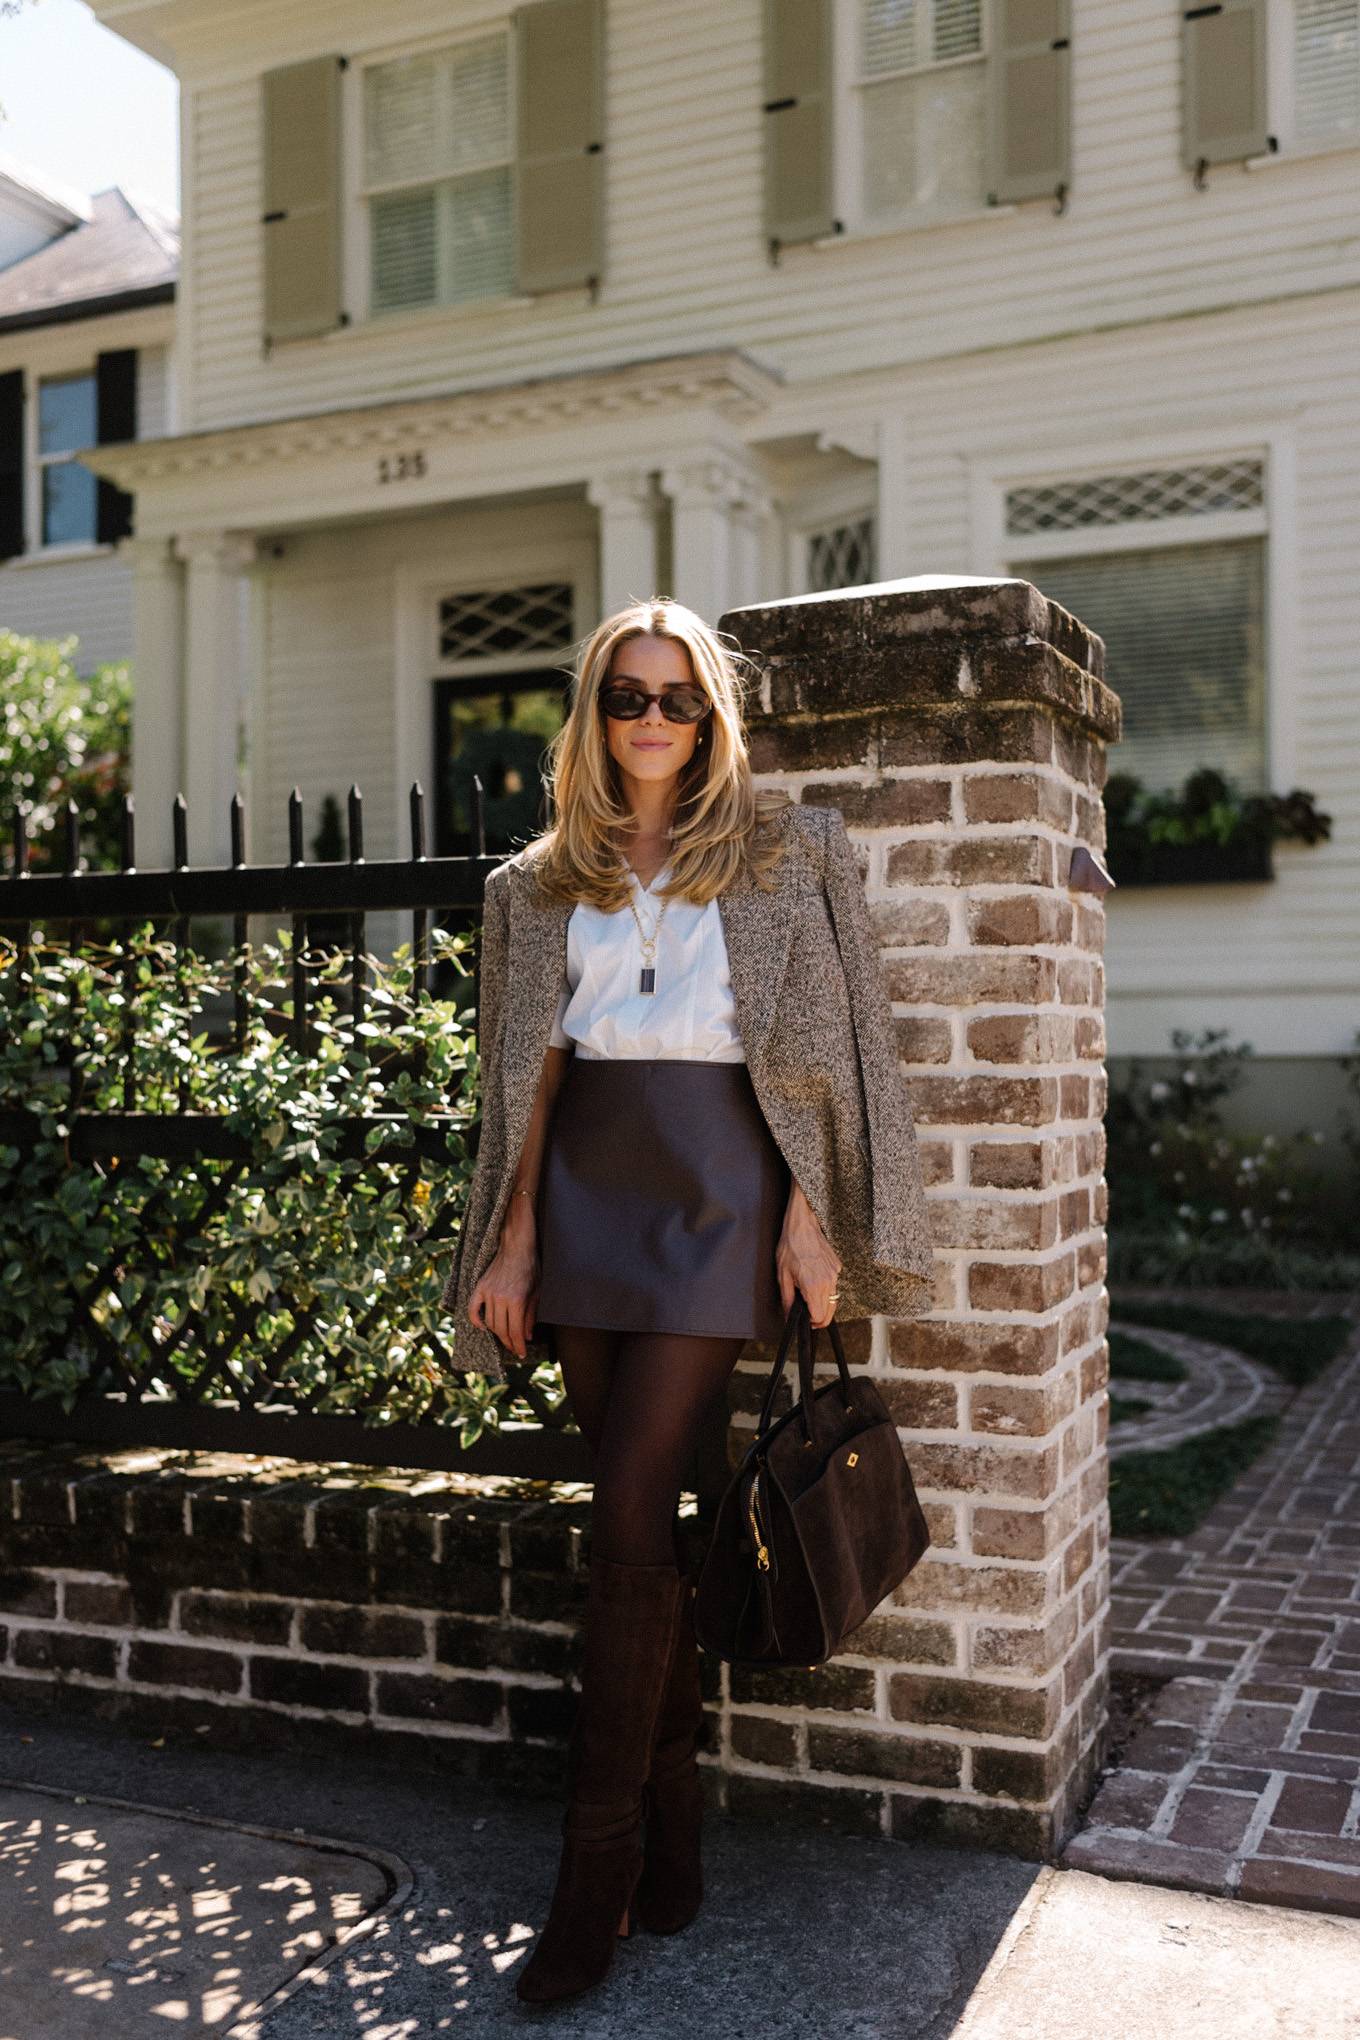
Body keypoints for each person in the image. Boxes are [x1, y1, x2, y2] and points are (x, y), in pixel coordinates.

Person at [443, 598, 933, 2005]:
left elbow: (844, 1053)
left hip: (723, 1190)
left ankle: (589, 1885)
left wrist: (816, 1214)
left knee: (627, 1516)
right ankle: (677, 1852)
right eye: (628, 698)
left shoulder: (792, 855)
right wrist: (518, 1240)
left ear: (716, 721)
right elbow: (522, 1080)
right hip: (588, 1189)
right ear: (593, 717)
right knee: (641, 1524)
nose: (653, 721)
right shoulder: (532, 886)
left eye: (680, 701)